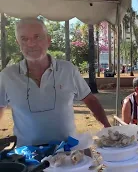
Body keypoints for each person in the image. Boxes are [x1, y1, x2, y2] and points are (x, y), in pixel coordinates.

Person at [0, 18, 111, 147]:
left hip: (67, 152)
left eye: (37, 37)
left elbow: (90, 99)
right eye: (24, 39)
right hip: (27, 157)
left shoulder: (68, 70)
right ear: (18, 43)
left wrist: (107, 127)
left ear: (48, 40)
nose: (31, 44)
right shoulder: (7, 76)